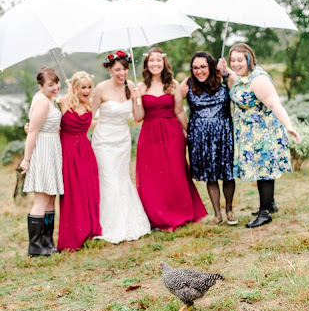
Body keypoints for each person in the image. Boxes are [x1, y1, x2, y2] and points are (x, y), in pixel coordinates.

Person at [218, 43, 301, 228]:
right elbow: (236, 76)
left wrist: (289, 125)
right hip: (250, 133)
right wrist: (226, 69)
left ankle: (264, 213)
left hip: (262, 134)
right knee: (262, 169)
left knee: (264, 171)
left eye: (240, 60)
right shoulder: (242, 76)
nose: (236, 64)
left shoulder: (258, 80)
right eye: (233, 60)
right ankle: (269, 203)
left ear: (249, 59)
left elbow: (274, 104)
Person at [132, 47, 207, 230]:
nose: (155, 64)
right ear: (146, 64)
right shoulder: (140, 87)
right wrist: (136, 99)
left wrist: (190, 131)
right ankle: (157, 216)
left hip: (172, 133)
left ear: (164, 63)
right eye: (151, 61)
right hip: (149, 134)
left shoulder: (173, 84)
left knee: (175, 172)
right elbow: (138, 116)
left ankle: (180, 212)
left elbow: (179, 111)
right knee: (153, 177)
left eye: (158, 60)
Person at [91, 50, 150, 243]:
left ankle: (129, 221)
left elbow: (138, 116)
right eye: (117, 70)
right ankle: (108, 225)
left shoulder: (131, 86)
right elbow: (88, 117)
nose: (121, 74)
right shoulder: (100, 88)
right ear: (109, 69)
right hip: (103, 140)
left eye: (124, 70)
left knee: (122, 178)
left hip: (123, 139)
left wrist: (137, 98)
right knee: (108, 179)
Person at [178, 51, 236, 226]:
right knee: (210, 175)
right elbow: (176, 107)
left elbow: (239, 82)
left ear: (210, 66)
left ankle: (230, 210)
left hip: (223, 134)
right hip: (200, 137)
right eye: (195, 68)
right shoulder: (187, 84)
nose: (199, 71)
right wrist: (189, 128)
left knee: (227, 173)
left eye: (203, 67)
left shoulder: (223, 80)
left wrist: (227, 70)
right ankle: (217, 214)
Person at [20, 67, 64, 256]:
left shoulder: (49, 99)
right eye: (50, 85)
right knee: (42, 199)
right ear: (40, 86)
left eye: (57, 83)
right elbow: (33, 131)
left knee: (50, 199)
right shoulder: (43, 103)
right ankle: (35, 245)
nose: (55, 88)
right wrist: (26, 159)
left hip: (52, 148)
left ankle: (47, 241)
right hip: (43, 150)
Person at [57, 71, 102, 251]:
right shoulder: (62, 102)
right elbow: (51, 121)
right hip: (67, 150)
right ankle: (72, 236)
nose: (86, 90)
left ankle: (88, 230)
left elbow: (88, 123)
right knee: (71, 191)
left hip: (84, 150)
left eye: (89, 87)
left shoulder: (90, 105)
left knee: (87, 189)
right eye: (83, 87)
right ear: (74, 87)